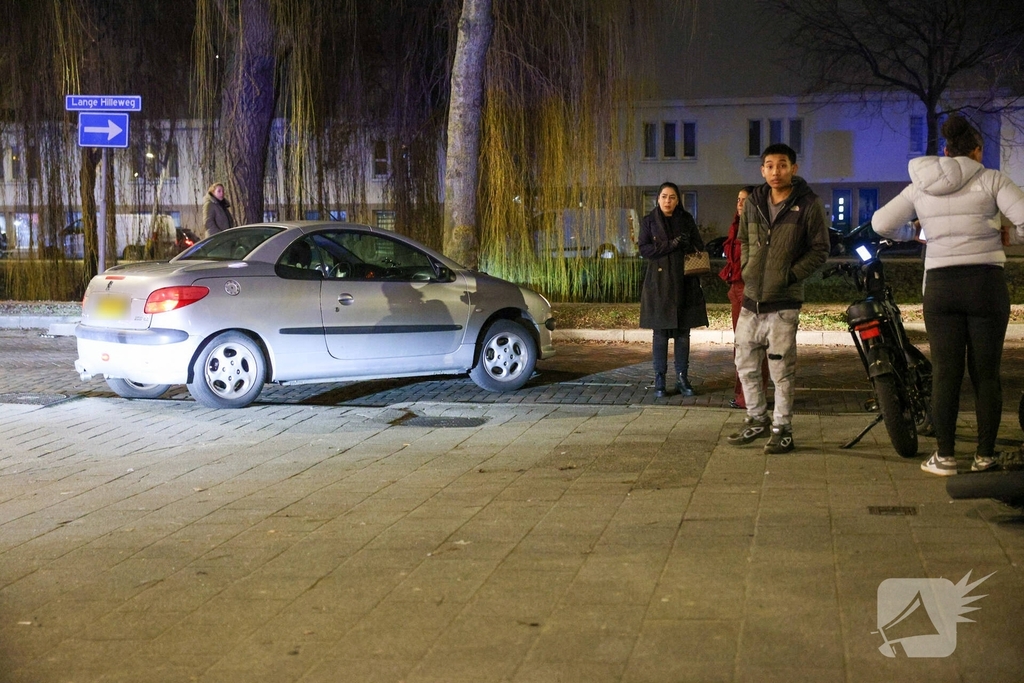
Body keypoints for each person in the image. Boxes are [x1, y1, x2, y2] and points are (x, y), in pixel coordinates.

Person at [872, 114, 1024, 476]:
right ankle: (985, 456)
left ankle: (945, 456)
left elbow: (880, 223)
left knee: (945, 373)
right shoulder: (991, 179)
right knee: (986, 374)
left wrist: (917, 233)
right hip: (985, 283)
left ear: (944, 151)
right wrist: (1010, 236)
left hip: (940, 287)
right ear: (977, 151)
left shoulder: (920, 187)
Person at [726, 144, 830, 454]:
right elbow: (743, 239)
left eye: (782, 165)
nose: (775, 171)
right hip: (751, 299)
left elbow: (820, 250)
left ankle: (782, 428)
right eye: (769, 166)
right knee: (744, 364)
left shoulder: (808, 204)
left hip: (784, 302)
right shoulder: (755, 201)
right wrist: (748, 268)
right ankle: (756, 419)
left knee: (781, 371)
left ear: (793, 168)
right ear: (762, 170)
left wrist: (789, 275)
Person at [638, 181, 709, 397]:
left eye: (672, 197)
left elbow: (699, 246)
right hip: (658, 285)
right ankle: (659, 379)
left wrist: (686, 243)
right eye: (664, 197)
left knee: (682, 333)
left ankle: (682, 377)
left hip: (683, 282)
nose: (668, 201)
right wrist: (671, 244)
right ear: (657, 199)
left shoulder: (686, 219)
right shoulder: (649, 221)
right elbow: (644, 249)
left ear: (678, 200)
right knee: (660, 334)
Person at [719, 185, 767, 409]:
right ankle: (743, 393)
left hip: (750, 290)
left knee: (751, 344)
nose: (739, 203)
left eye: (744, 200)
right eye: (738, 199)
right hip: (736, 290)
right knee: (742, 344)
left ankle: (751, 396)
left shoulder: (756, 228)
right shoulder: (736, 225)